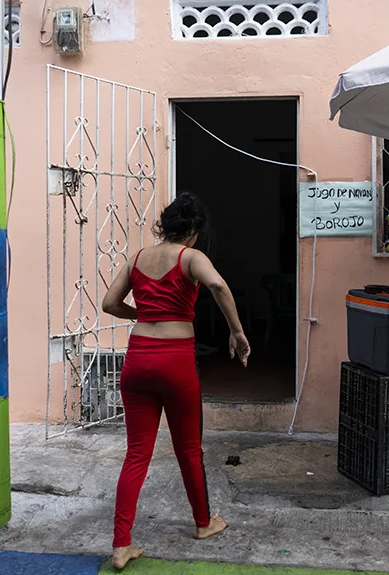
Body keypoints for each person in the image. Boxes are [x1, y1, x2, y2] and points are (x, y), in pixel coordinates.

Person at [101, 192, 251, 571]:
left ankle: (121, 546)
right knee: (188, 448)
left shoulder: (137, 258)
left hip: (137, 360)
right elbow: (217, 286)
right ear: (194, 231)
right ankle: (203, 524)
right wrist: (237, 334)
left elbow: (109, 304)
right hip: (175, 361)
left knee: (137, 453)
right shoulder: (191, 257)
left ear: (164, 226)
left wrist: (143, 313)